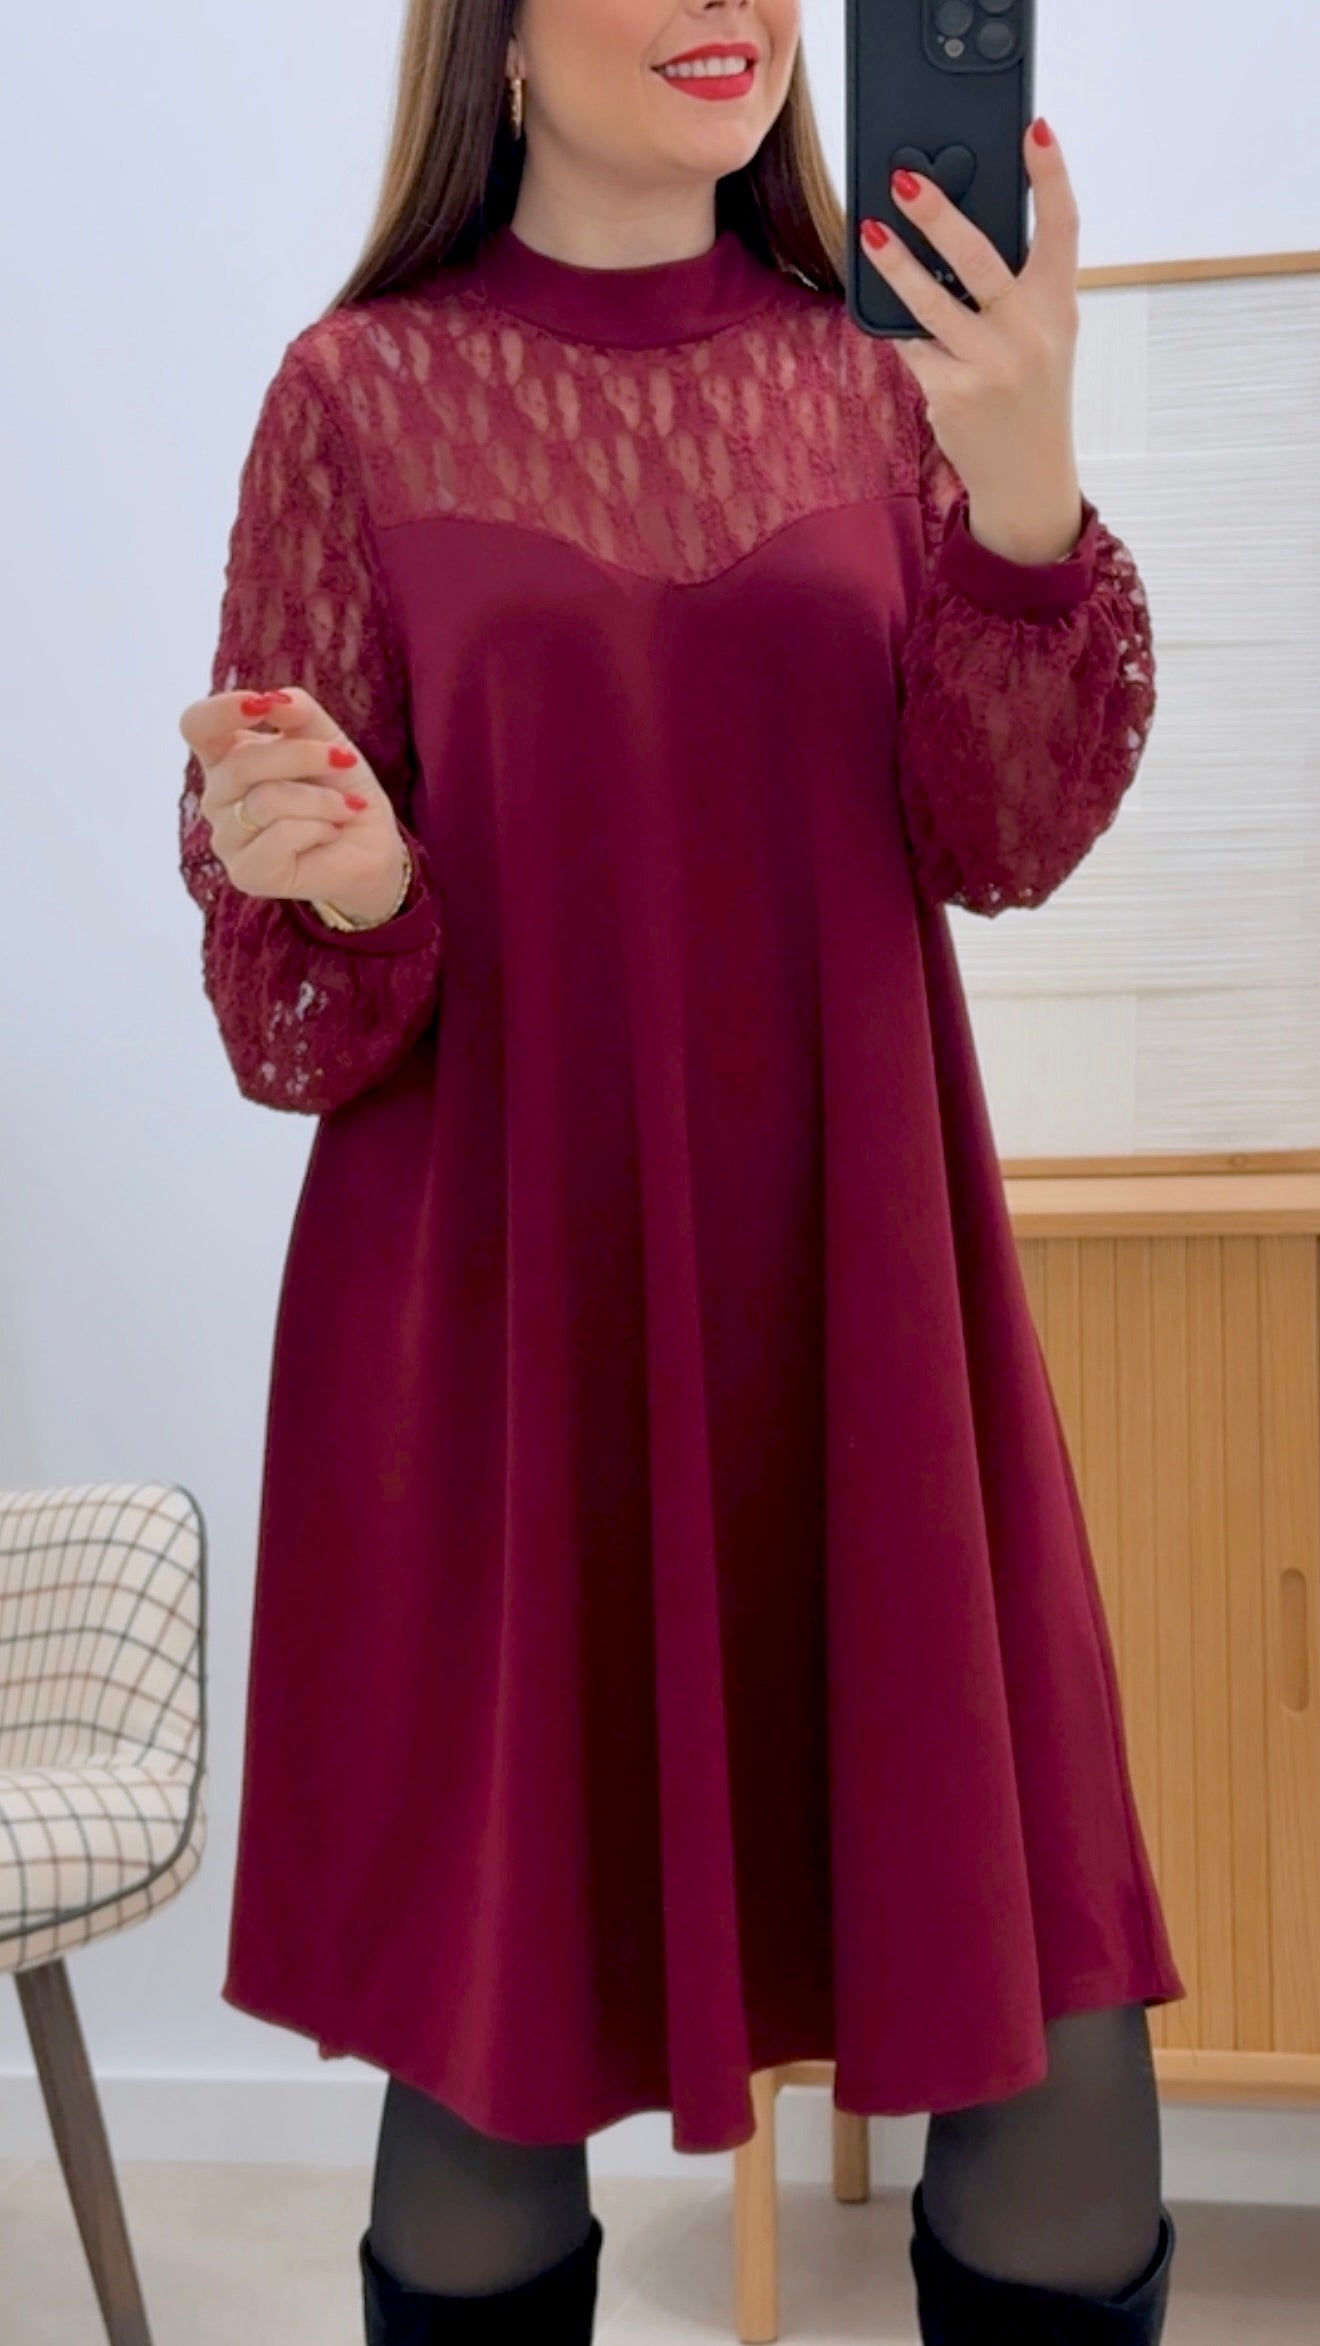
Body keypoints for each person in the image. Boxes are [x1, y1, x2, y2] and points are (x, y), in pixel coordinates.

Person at [177, 3, 1186, 2339]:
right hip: (507, 1336)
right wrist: (336, 884)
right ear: (504, 34)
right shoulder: (356, 396)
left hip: (869, 1308)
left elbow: (1003, 835)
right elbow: (284, 1006)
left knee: (1053, 2031)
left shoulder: (885, 373)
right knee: (496, 2050)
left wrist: (1024, 481)